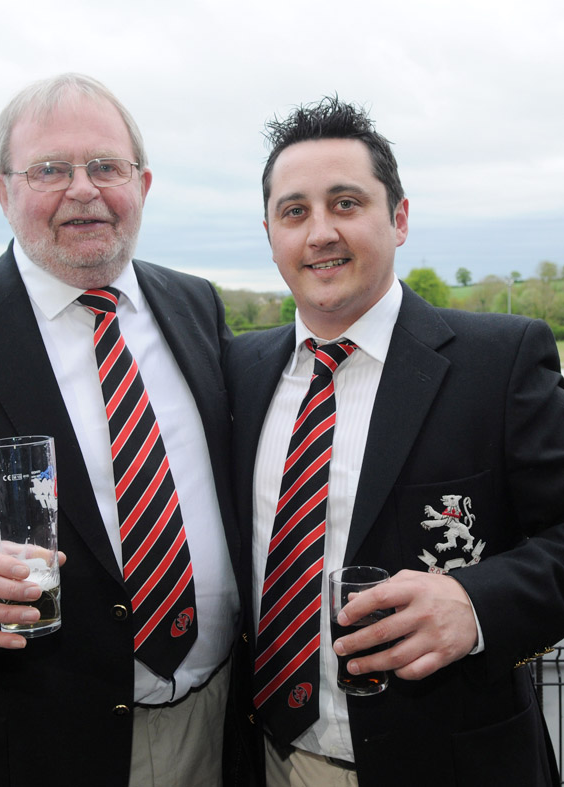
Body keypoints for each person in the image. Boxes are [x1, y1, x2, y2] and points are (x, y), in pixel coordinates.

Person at [0, 73, 242, 786]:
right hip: (29, 749)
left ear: (143, 184)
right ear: (3, 193)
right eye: (50, 169)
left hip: (215, 725)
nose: (83, 189)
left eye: (106, 166)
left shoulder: (196, 306)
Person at [224, 96, 564, 787]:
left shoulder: (500, 362)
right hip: (269, 761)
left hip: (449, 764)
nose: (320, 233)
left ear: (400, 218)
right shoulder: (236, 371)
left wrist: (476, 603)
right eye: (294, 212)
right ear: (269, 233)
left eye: (346, 203)